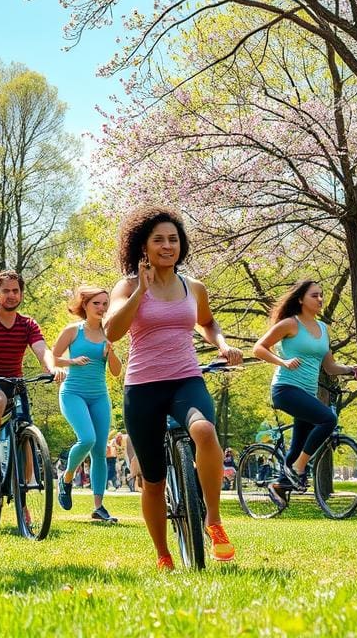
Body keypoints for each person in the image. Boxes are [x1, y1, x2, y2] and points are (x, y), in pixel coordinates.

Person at [105, 206, 242, 570]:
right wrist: (140, 292)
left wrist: (222, 344)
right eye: (159, 240)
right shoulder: (128, 286)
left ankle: (213, 520)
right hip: (143, 387)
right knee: (153, 480)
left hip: (185, 378)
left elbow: (208, 323)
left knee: (205, 430)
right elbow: (112, 332)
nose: (168, 246)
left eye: (173, 239)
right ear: (143, 247)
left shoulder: (193, 287)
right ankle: (164, 555)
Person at [252, 279, 357, 507]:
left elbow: (329, 366)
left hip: (307, 393)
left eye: (322, 295)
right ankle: (299, 468)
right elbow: (258, 348)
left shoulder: (323, 329)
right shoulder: (290, 324)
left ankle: (279, 485)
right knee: (328, 418)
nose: (320, 299)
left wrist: (350, 370)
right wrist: (282, 361)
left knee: (298, 445)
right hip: (285, 389)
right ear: (301, 299)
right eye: (315, 295)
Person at [0, 270, 64, 491]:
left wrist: (52, 367)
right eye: (6, 291)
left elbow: (42, 350)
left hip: (14, 382)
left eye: (15, 291)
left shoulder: (28, 325)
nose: (11, 295)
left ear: (21, 294)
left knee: (26, 427)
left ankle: (28, 488)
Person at [51, 286, 122, 521]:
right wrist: (70, 361)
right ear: (85, 305)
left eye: (105, 303)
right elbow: (52, 358)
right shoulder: (73, 331)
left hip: (99, 396)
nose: (101, 308)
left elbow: (116, 371)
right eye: (96, 303)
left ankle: (98, 507)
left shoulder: (109, 334)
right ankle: (67, 476)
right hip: (73, 393)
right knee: (87, 439)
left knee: (99, 451)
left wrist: (110, 351)